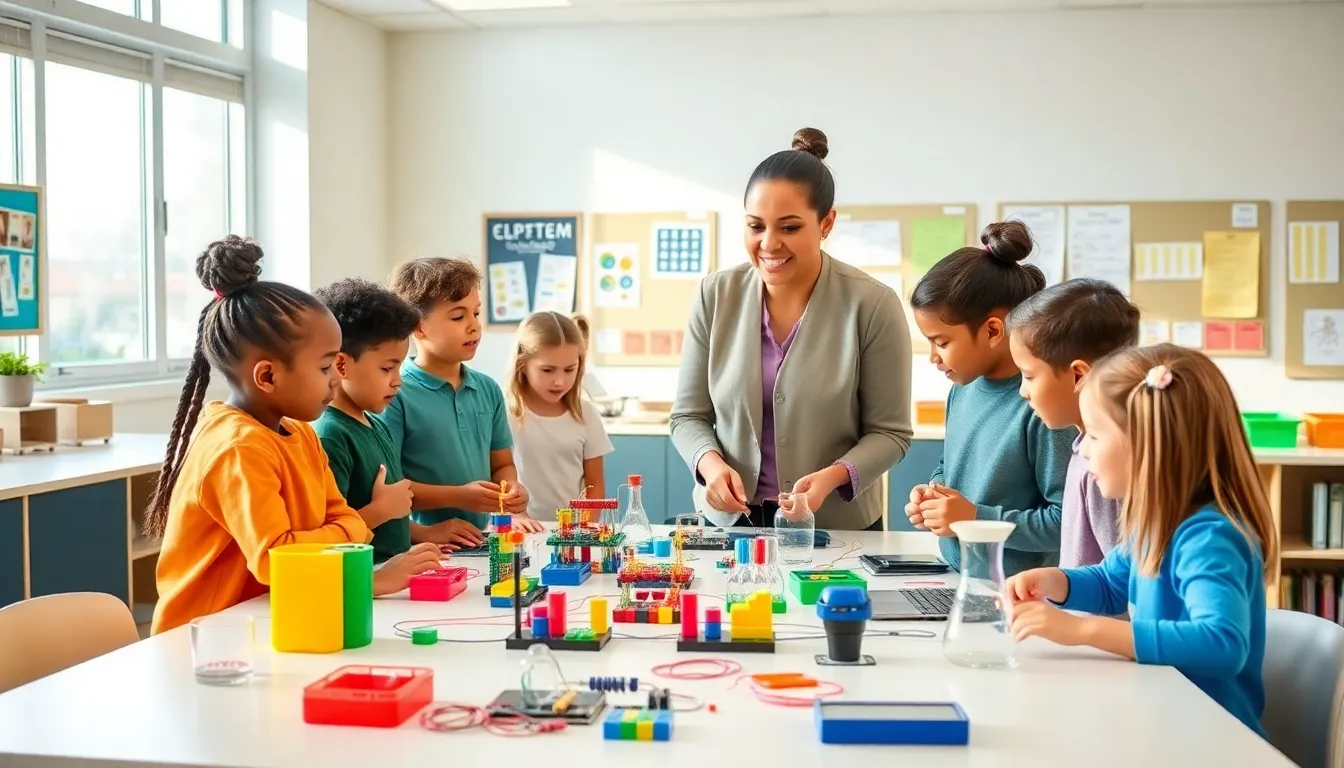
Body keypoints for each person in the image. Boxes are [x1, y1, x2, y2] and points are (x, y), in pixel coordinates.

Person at [148, 237, 437, 635]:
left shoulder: (300, 434)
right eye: (324, 368)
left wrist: (339, 535)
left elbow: (333, 519)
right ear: (267, 376)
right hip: (209, 634)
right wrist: (361, 562)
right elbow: (278, 558)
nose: (337, 379)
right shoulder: (239, 449)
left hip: (276, 614)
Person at [1007, 344, 1279, 738]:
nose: (1083, 449)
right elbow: (1110, 583)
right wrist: (1055, 582)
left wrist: (1083, 631)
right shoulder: (1154, 524)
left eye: (1096, 435)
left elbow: (1222, 643)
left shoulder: (1209, 537)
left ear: (1149, 447)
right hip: (1162, 720)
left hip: (1214, 740)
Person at [671, 127, 913, 531]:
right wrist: (710, 467)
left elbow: (890, 433)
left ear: (826, 223)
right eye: (755, 226)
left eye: (789, 227)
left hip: (834, 526)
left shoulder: (873, 304)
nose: (769, 244)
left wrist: (833, 476)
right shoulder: (714, 295)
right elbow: (687, 417)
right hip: (731, 523)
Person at [903, 220, 1075, 578]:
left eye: (942, 342)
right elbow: (950, 464)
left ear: (993, 330)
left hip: (1016, 593)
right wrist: (936, 495)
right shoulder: (961, 389)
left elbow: (1064, 522)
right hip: (956, 575)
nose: (934, 357)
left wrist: (972, 518)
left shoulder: (1042, 407)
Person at [314, 277, 484, 562]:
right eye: (387, 369)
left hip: (393, 572)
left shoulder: (374, 424)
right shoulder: (330, 435)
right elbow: (325, 538)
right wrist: (382, 510)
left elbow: (392, 514)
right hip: (363, 582)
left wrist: (421, 534)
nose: (398, 382)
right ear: (341, 364)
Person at [379, 256, 543, 534]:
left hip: (477, 540)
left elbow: (502, 464)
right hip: (421, 544)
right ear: (418, 327)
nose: (473, 326)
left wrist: (510, 495)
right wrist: (460, 495)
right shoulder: (394, 393)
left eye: (476, 313)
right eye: (458, 316)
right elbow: (387, 487)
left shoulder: (487, 389)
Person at [1006, 278, 1140, 567]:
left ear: (1079, 375)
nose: (1022, 390)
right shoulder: (1084, 447)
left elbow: (1123, 585)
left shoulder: (1106, 467)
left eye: (1028, 376)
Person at [506, 311, 614, 521]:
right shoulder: (503, 414)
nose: (560, 381)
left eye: (569, 370)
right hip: (521, 530)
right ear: (522, 364)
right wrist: (518, 519)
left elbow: (595, 486)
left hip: (575, 532)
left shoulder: (587, 415)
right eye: (547, 370)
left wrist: (584, 529)